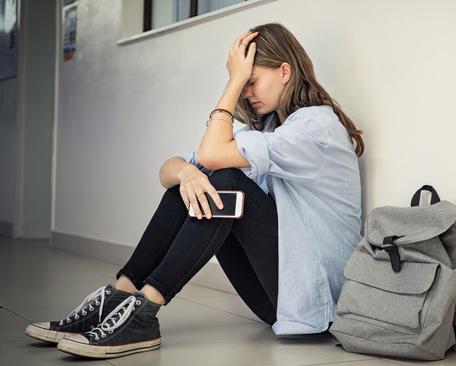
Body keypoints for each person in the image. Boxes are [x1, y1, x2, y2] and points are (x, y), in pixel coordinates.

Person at [24, 22, 364, 359]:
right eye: (242, 85)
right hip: (280, 298)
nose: (246, 92)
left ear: (285, 71)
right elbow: (168, 171)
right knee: (189, 184)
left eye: (251, 81)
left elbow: (211, 156)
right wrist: (187, 173)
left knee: (224, 181)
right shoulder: (271, 129)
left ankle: (144, 312)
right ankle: (119, 296)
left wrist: (232, 82)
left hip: (317, 301)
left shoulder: (316, 127)